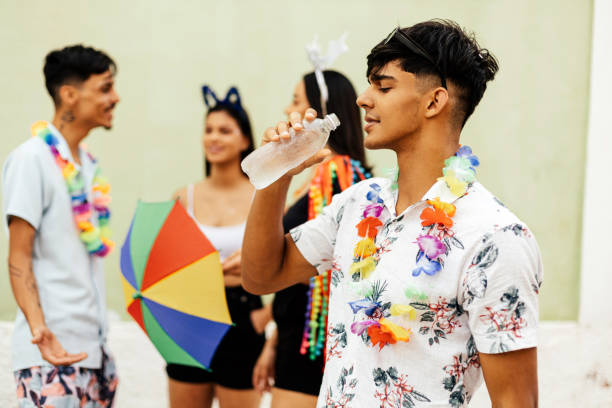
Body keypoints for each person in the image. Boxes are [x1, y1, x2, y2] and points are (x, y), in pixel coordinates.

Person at [242, 20, 543, 407]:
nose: (362, 99)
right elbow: (261, 275)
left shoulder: (496, 238)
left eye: (383, 87)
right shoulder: (356, 204)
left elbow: (516, 401)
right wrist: (277, 174)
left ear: (434, 102)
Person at [3, 45, 120, 407]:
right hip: (48, 356)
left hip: (92, 355)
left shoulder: (87, 165)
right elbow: (18, 256)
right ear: (69, 95)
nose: (115, 98)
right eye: (105, 88)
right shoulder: (31, 159)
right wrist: (40, 329)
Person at [252, 70, 371, 407]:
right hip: (299, 332)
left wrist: (271, 260)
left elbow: (332, 267)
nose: (287, 108)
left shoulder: (340, 175)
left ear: (320, 110)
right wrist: (274, 340)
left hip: (315, 338)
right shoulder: (316, 174)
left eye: (295, 100)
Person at [167, 86, 271, 408]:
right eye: (209, 130)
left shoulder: (263, 196)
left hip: (244, 317)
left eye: (225, 131)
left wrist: (265, 315)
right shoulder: (184, 197)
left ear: (244, 140)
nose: (214, 138)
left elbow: (289, 262)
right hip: (191, 318)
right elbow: (167, 266)